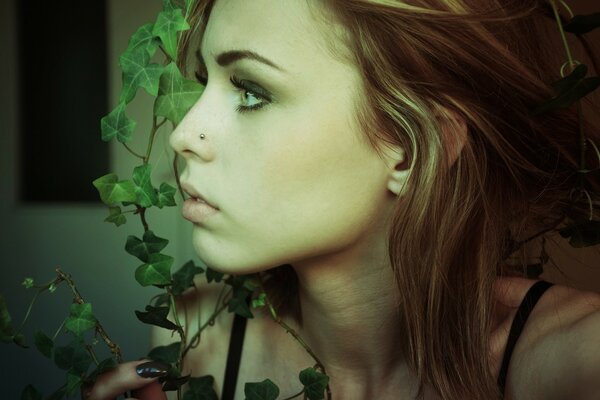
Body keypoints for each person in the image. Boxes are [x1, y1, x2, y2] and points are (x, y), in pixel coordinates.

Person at [87, 0, 600, 399]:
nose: (185, 132)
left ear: (410, 151)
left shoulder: (581, 365)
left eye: (250, 91)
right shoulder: (197, 337)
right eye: (206, 80)